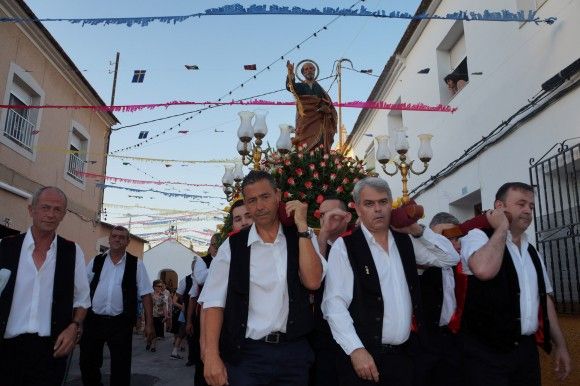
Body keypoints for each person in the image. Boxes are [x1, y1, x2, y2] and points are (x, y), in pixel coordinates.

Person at [322, 177, 460, 386]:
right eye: (369, 204)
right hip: (363, 359)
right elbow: (334, 304)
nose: (378, 209)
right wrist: (356, 349)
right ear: (358, 209)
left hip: (405, 357)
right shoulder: (346, 247)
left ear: (390, 204)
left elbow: (450, 258)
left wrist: (417, 230)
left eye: (383, 202)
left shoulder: (406, 241)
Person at [200, 170, 325, 386]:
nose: (259, 206)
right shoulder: (232, 247)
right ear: (246, 205)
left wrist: (303, 227)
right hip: (248, 355)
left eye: (265, 197)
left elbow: (313, 281)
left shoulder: (301, 237)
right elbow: (213, 304)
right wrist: (210, 356)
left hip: (294, 354)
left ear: (278, 195)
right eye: (252, 200)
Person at [460, 182, 571, 385]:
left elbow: (544, 299)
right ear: (499, 206)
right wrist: (501, 227)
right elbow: (484, 270)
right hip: (486, 355)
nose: (528, 210)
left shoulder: (532, 251)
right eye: (521, 204)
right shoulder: (477, 237)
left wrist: (561, 345)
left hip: (526, 353)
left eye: (531, 206)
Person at [0, 186, 91, 386]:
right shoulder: (5, 247)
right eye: (45, 207)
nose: (50, 214)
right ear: (32, 210)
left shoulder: (72, 252)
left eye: (57, 210)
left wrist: (74, 326)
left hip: (51, 350)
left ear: (63, 215)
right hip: (6, 348)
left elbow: (83, 299)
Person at [80, 225, 154, 386]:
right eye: (114, 236)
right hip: (94, 320)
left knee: (121, 366)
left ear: (127, 242)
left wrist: (149, 324)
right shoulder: (96, 261)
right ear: (109, 239)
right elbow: (83, 289)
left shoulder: (137, 265)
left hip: (121, 322)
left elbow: (146, 294)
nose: (117, 239)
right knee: (87, 362)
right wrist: (78, 320)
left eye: (121, 237)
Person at [195, 200, 254, 386]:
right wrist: (206, 349)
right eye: (238, 219)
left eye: (248, 216)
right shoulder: (228, 249)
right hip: (232, 338)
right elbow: (208, 302)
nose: (244, 222)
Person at [414, 212, 464, 386]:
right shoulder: (421, 264)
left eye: (457, 238)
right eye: (447, 238)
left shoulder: (463, 267)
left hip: (453, 339)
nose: (454, 243)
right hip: (425, 343)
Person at [310, 196, 352, 386]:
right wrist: (324, 234)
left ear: (347, 217)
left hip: (357, 332)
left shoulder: (357, 244)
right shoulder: (316, 244)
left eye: (333, 215)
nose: (326, 220)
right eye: (322, 215)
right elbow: (314, 278)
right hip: (323, 336)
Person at [286, 60, 337, 152]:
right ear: (303, 73)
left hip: (319, 120)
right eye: (306, 69)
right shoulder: (300, 86)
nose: (309, 70)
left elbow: (329, 104)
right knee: (304, 142)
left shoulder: (320, 89)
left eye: (311, 68)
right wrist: (290, 73)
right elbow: (290, 86)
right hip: (305, 119)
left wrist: (327, 109)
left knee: (320, 142)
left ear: (314, 71)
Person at [148, 279, 169, 352]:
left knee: (156, 332)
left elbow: (164, 306)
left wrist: (166, 316)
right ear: (154, 287)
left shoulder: (163, 295)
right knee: (150, 331)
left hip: (159, 316)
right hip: (150, 315)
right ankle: (149, 341)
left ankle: (153, 346)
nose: (160, 288)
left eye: (161, 286)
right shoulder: (150, 295)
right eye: (158, 286)